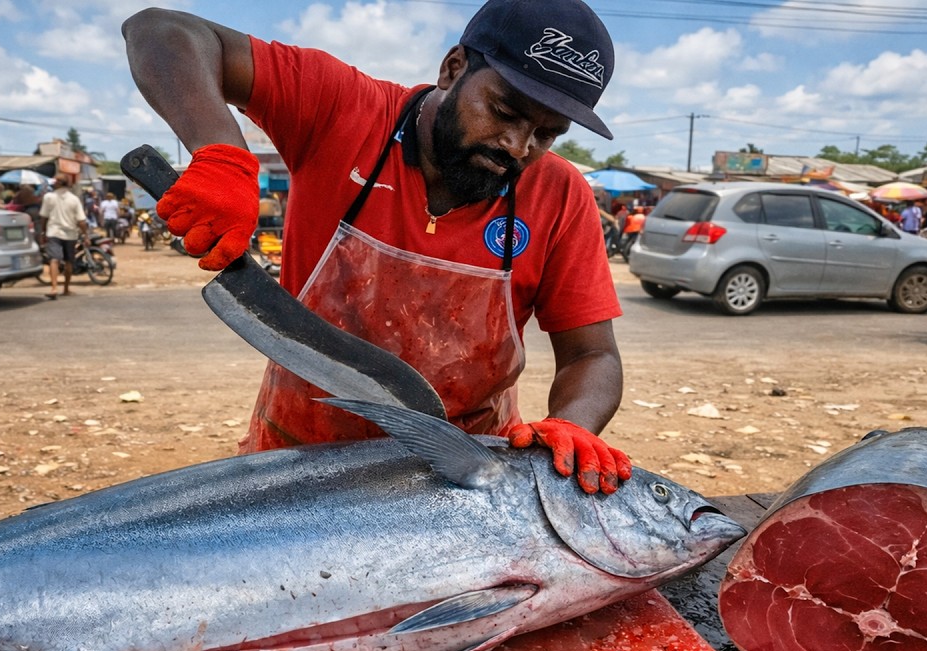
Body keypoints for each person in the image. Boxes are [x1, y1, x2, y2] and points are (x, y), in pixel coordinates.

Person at [124, 0, 631, 494]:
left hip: (464, 479)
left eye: (547, 134)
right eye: (503, 112)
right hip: (295, 467)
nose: (518, 147)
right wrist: (222, 153)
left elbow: (592, 355)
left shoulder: (559, 194)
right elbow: (160, 30)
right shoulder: (343, 110)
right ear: (453, 68)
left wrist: (573, 424)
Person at [40, 175, 88, 300]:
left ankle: (54, 288)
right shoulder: (74, 199)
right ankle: (66, 289)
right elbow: (81, 221)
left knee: (54, 260)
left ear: (57, 183)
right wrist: (86, 235)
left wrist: (42, 232)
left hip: (53, 232)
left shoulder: (49, 197)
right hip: (70, 234)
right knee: (68, 261)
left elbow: (44, 217)